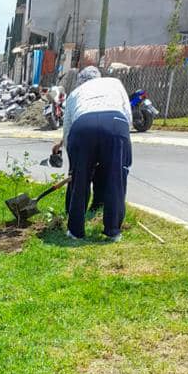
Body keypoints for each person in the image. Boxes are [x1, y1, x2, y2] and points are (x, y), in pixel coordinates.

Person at [52, 65, 132, 242]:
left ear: (80, 81)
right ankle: (113, 231)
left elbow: (68, 128)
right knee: (115, 178)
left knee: (79, 181)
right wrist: (119, 144)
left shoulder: (75, 93)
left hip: (83, 127)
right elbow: (128, 115)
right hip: (116, 124)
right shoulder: (115, 84)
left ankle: (75, 231)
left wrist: (76, 163)